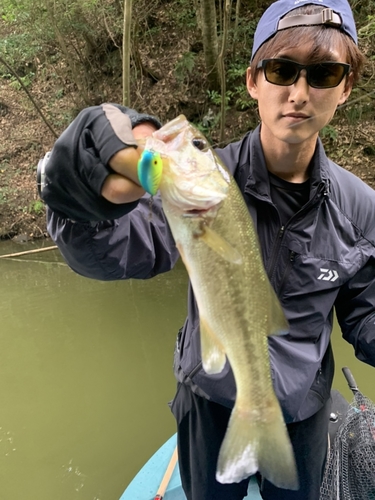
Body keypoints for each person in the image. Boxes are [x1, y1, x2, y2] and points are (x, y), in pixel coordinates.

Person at [37, 0, 375, 498]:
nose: (299, 93)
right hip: (208, 401)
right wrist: (78, 201)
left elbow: (366, 318)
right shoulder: (202, 188)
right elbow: (112, 253)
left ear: (344, 88)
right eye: (282, 70)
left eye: (323, 74)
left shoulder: (362, 208)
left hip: (304, 411)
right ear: (253, 81)